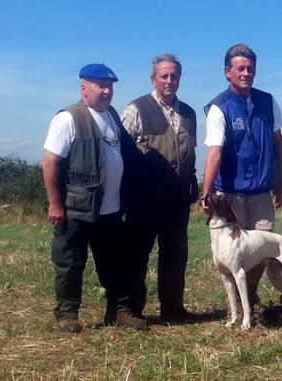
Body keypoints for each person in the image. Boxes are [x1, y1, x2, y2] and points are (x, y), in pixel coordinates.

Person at [42, 63, 147, 333]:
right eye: (100, 85)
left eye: (110, 86)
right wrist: (55, 203)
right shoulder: (68, 118)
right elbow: (50, 162)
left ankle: (119, 310)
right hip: (77, 208)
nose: (106, 91)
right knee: (70, 262)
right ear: (84, 88)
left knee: (115, 263)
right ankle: (67, 314)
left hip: (110, 209)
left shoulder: (111, 115)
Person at [201, 43, 282, 306]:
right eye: (240, 68)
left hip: (261, 191)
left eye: (250, 68)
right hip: (231, 194)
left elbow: (278, 142)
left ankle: (250, 292)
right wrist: (206, 193)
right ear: (228, 72)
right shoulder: (219, 107)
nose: (246, 73)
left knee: (261, 249)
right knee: (234, 252)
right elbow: (214, 152)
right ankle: (241, 304)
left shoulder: (267, 101)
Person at [121, 53, 198, 322]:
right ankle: (130, 310)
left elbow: (190, 154)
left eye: (174, 76)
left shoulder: (188, 113)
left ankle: (173, 308)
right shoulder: (137, 109)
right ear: (153, 79)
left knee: (175, 255)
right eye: (164, 76)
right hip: (145, 199)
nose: (169, 80)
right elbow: (121, 151)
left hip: (178, 199)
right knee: (137, 256)